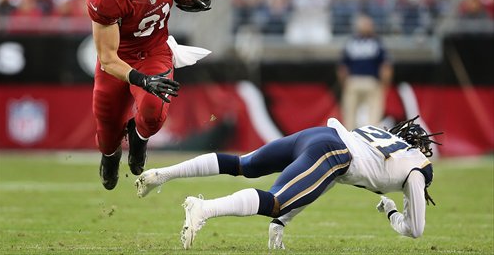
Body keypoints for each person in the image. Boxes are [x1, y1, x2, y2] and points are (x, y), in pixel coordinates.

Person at [135, 116, 442, 250]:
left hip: (321, 136)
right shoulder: (418, 168)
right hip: (334, 153)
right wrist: (390, 211)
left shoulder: (383, 139)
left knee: (244, 164)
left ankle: (162, 174)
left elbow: (324, 181)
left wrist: (282, 223)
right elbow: (415, 230)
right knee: (275, 201)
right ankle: (203, 208)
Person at [85, 0, 211, 190]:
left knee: (154, 112)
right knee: (107, 131)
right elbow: (107, 58)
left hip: (154, 49)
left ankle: (139, 138)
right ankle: (110, 157)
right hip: (119, 59)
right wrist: (141, 79)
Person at [337, 14, 393, 130]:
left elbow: (342, 68)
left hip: (353, 81)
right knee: (373, 117)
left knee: (349, 118)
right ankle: (370, 141)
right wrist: (384, 84)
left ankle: (349, 142)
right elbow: (385, 66)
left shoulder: (351, 42)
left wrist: (344, 84)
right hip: (371, 81)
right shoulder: (376, 42)